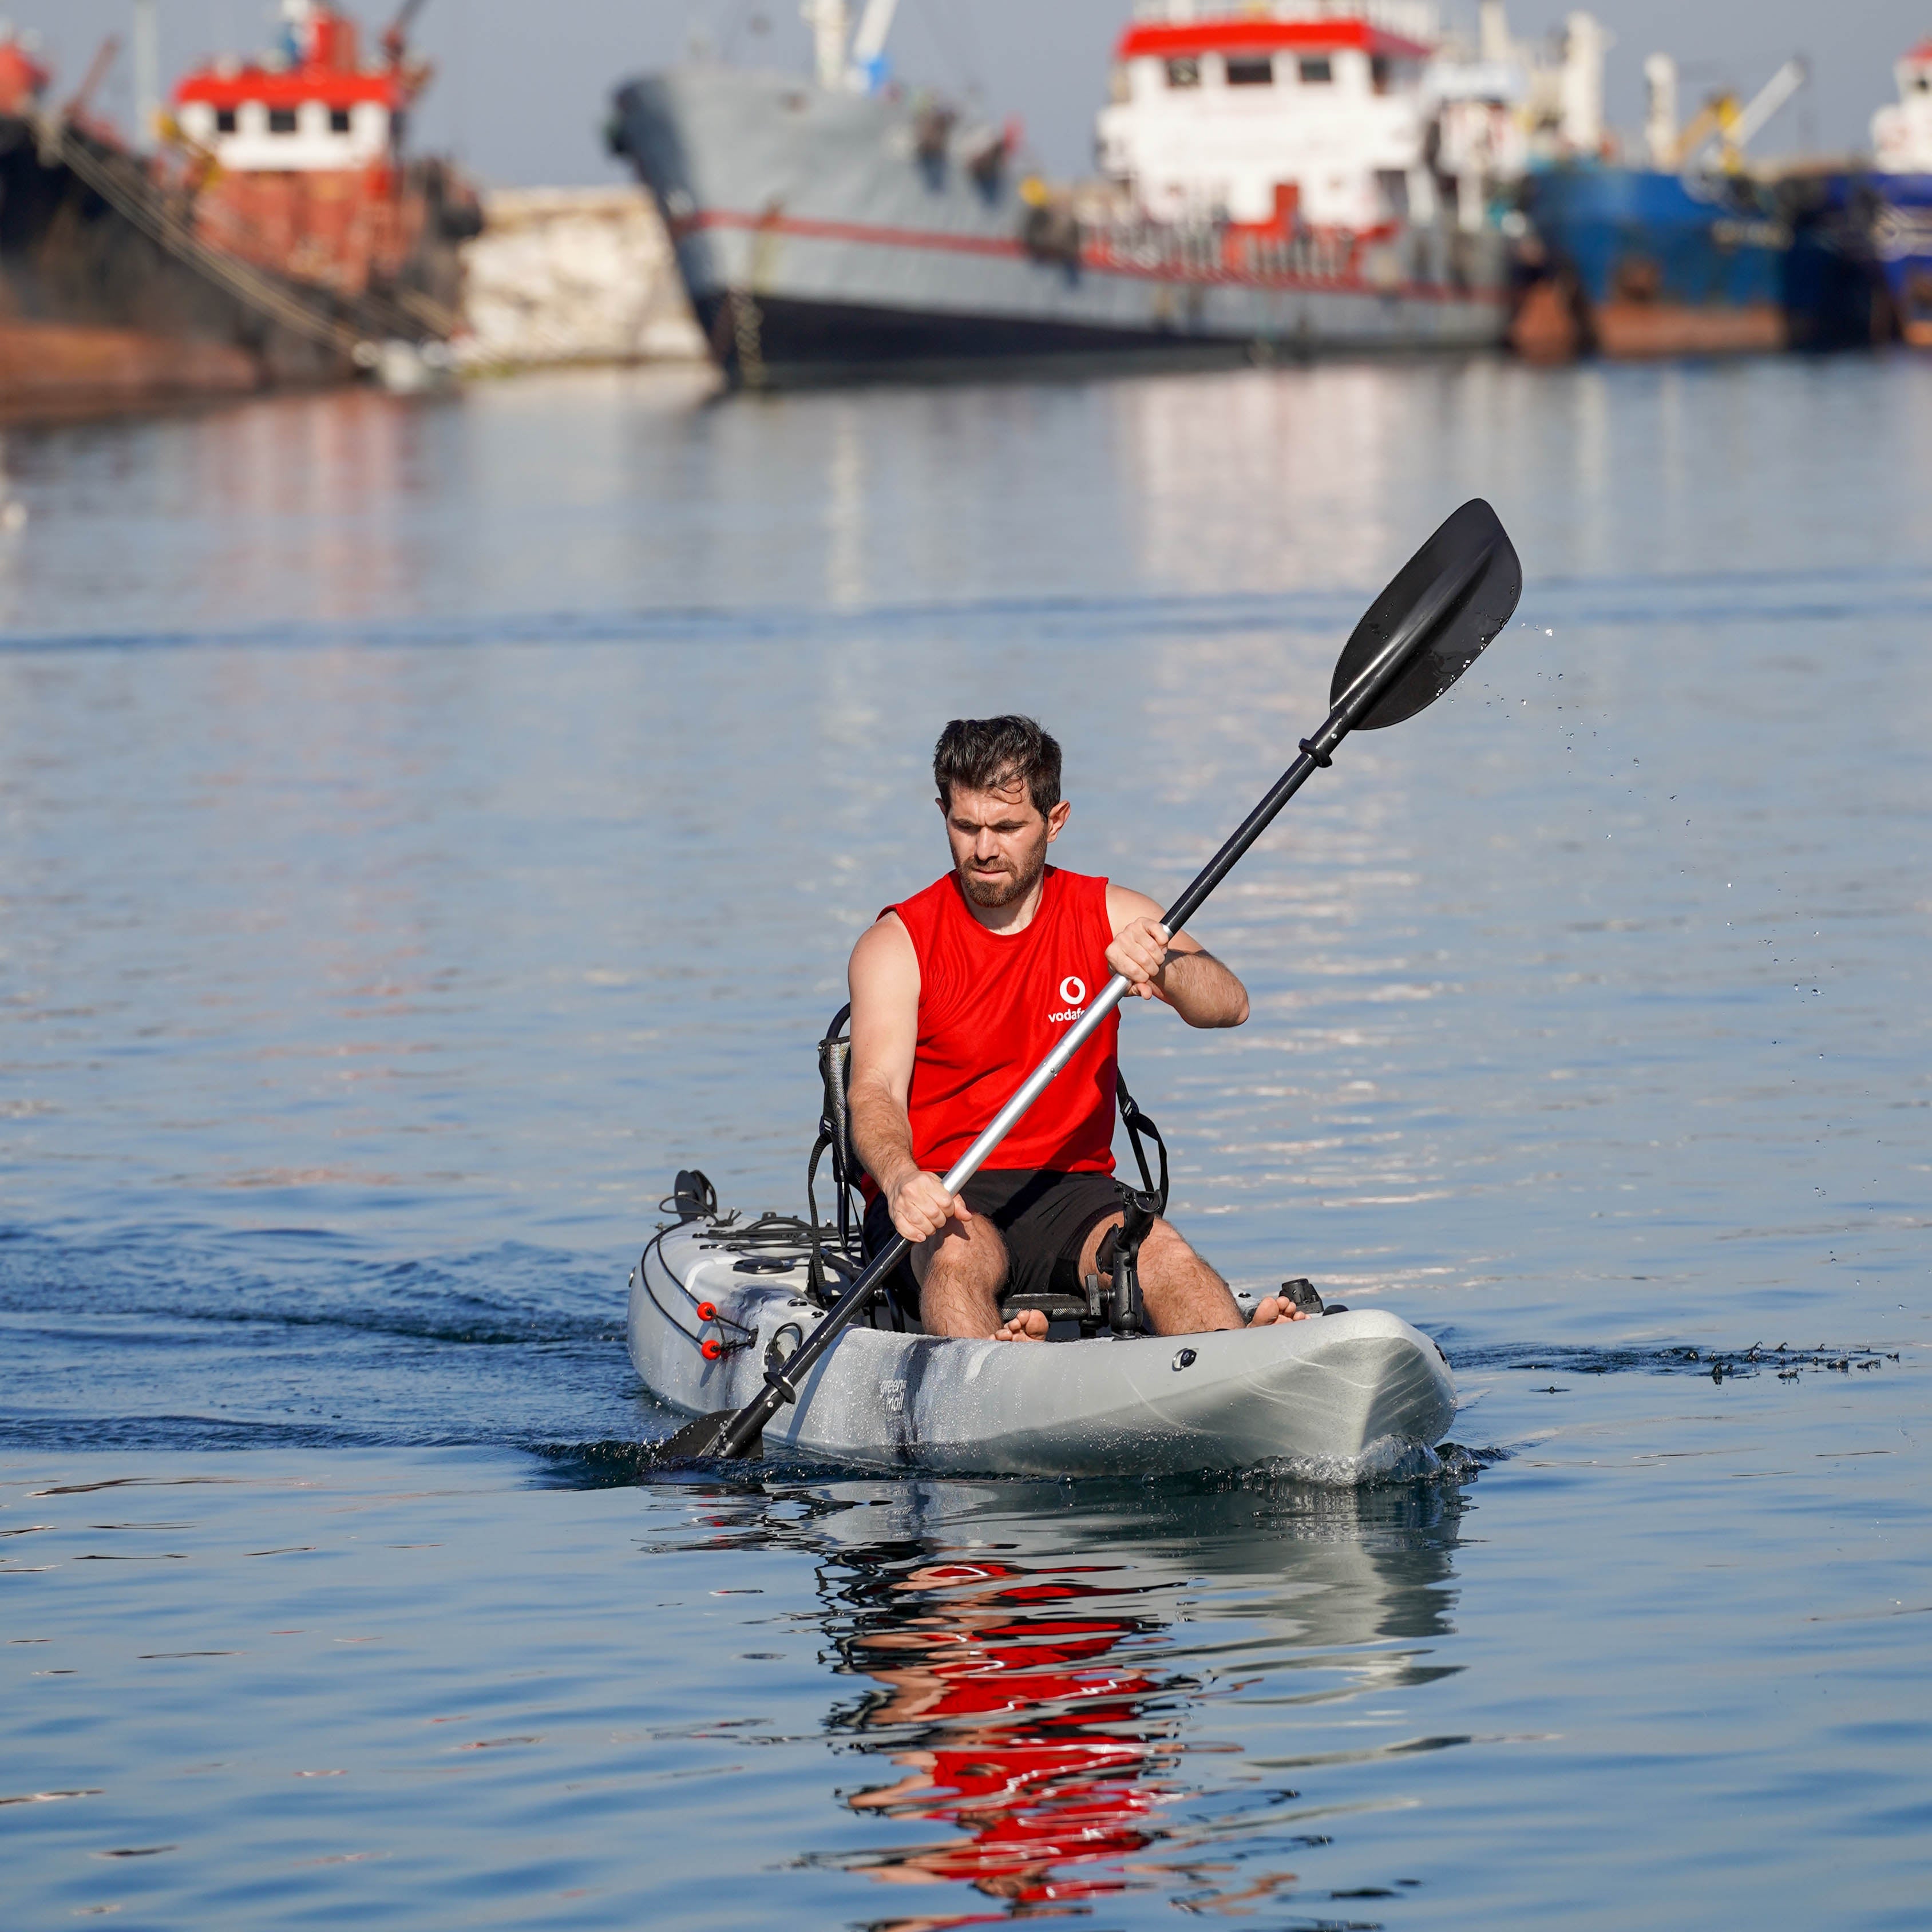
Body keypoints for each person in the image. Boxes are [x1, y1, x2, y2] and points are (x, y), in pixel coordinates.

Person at [847, 714, 1308, 1342]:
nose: (984, 848)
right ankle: (987, 1388)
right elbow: (872, 1091)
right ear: (942, 813)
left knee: (1166, 1255)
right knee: (958, 1258)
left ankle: (1229, 1362)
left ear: (1055, 820)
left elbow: (1230, 1004)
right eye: (965, 826)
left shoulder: (1111, 914)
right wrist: (900, 1177)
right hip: (941, 1189)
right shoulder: (895, 943)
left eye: (1007, 827)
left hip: (1070, 1189)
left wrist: (1166, 967)